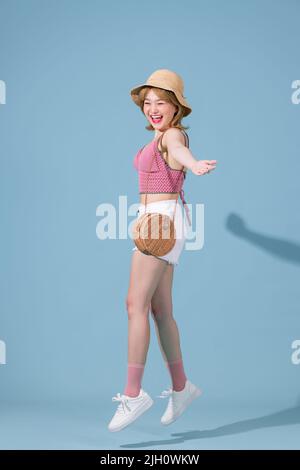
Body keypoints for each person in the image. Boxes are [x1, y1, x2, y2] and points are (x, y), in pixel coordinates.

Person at [108, 69, 217, 432]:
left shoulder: (171, 135)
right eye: (148, 103)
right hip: (165, 219)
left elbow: (181, 151)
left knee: (133, 304)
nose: (153, 109)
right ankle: (182, 386)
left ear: (176, 109)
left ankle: (133, 393)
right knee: (160, 310)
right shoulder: (157, 136)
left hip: (160, 221)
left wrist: (194, 164)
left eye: (162, 103)